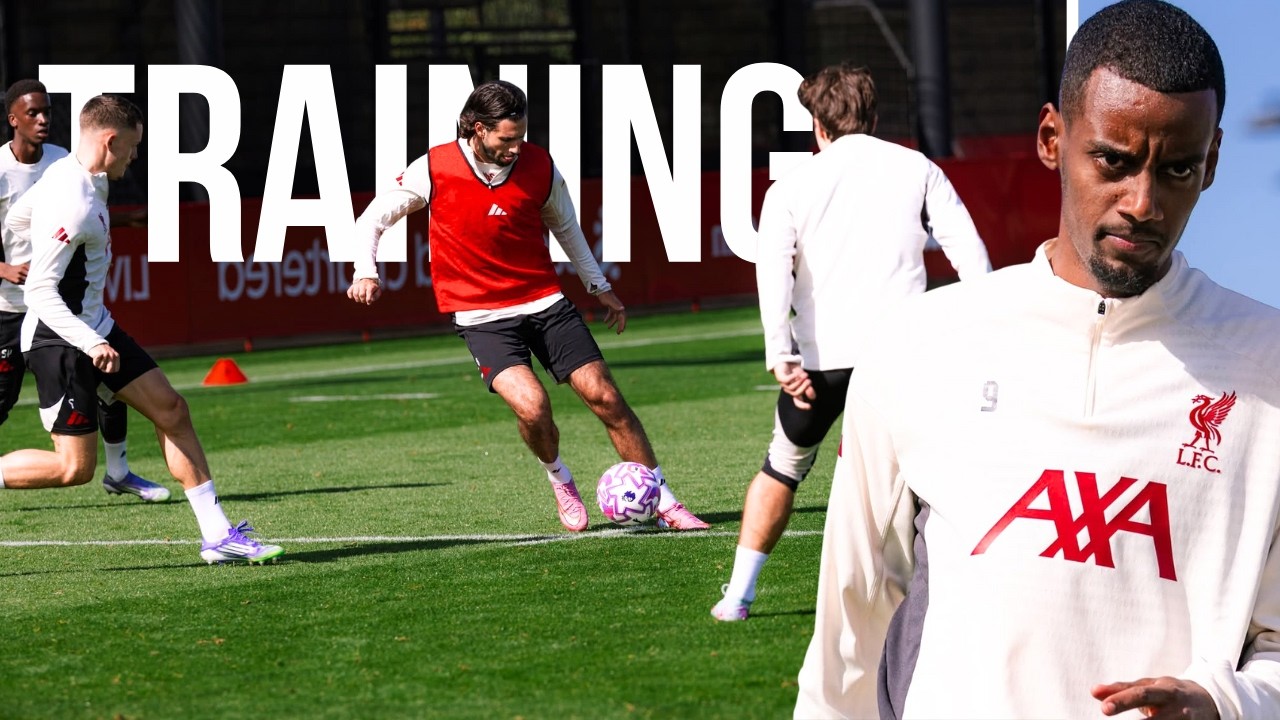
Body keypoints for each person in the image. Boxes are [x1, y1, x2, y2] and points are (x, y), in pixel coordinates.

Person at [795, 1, 1280, 717]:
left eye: (1177, 169)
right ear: (1053, 138)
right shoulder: (920, 345)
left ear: (1210, 164)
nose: (1143, 202)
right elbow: (850, 631)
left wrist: (1225, 700)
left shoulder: (1266, 364)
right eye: (1113, 162)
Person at [348, 80, 708, 532]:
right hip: (481, 317)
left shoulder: (539, 165)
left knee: (607, 397)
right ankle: (560, 478)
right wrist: (367, 271)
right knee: (533, 408)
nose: (517, 147)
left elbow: (567, 227)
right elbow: (372, 220)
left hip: (545, 302)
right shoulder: (434, 167)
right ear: (477, 129)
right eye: (506, 139)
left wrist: (599, 287)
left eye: (521, 136)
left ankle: (666, 502)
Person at [710, 64, 990, 622]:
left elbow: (774, 276)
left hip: (820, 365)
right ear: (875, 116)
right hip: (903, 359)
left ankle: (738, 597)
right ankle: (950, 599)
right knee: (927, 477)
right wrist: (982, 328)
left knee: (782, 470)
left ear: (818, 123)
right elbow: (971, 254)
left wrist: (780, 354)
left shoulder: (790, 187)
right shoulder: (916, 168)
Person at [0, 94, 283, 565]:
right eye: (132, 148)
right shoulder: (73, 200)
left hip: (97, 327)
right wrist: (90, 341)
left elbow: (16, 217)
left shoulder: (81, 177)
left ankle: (219, 537)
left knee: (172, 409)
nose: (135, 157)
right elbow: (41, 293)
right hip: (61, 340)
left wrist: (97, 331)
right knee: (74, 469)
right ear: (110, 141)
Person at [0, 79, 166, 502]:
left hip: (74, 315)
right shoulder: (10, 171)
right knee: (67, 461)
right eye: (32, 112)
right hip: (28, 313)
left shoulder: (66, 163)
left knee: (161, 406)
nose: (43, 119)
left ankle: (124, 473)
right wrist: (14, 263)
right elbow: (26, 232)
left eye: (47, 111)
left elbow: (31, 220)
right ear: (12, 119)